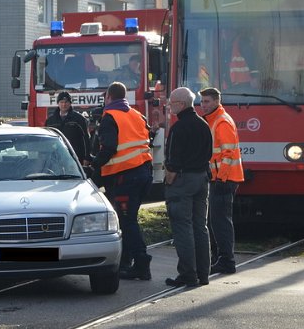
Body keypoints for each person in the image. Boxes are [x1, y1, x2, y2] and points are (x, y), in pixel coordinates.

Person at [91, 82, 153, 280]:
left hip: (125, 176)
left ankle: (141, 263)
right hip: (143, 172)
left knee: (127, 221)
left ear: (108, 97)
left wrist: (95, 167)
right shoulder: (136, 115)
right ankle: (127, 261)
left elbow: (109, 147)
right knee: (128, 219)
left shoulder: (110, 117)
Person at [163, 86, 213, 288]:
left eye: (172, 103)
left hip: (183, 181)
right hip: (201, 179)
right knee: (200, 226)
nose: (169, 106)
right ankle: (203, 274)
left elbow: (173, 160)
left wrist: (169, 180)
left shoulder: (179, 127)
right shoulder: (203, 124)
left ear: (181, 104)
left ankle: (188, 275)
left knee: (183, 227)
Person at [200, 87, 244, 275]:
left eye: (207, 101)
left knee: (220, 222)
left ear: (217, 101)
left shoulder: (222, 122)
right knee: (215, 221)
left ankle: (226, 260)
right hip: (220, 178)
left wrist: (221, 177)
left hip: (224, 179)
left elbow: (228, 153)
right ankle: (220, 258)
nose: (203, 105)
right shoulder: (215, 120)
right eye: (202, 102)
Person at [45, 91, 90, 164]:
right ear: (58, 103)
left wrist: (86, 157)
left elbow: (86, 138)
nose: (64, 104)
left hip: (75, 157)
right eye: (61, 102)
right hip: (56, 157)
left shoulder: (78, 119)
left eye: (66, 102)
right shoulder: (50, 121)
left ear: (70, 103)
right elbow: (46, 141)